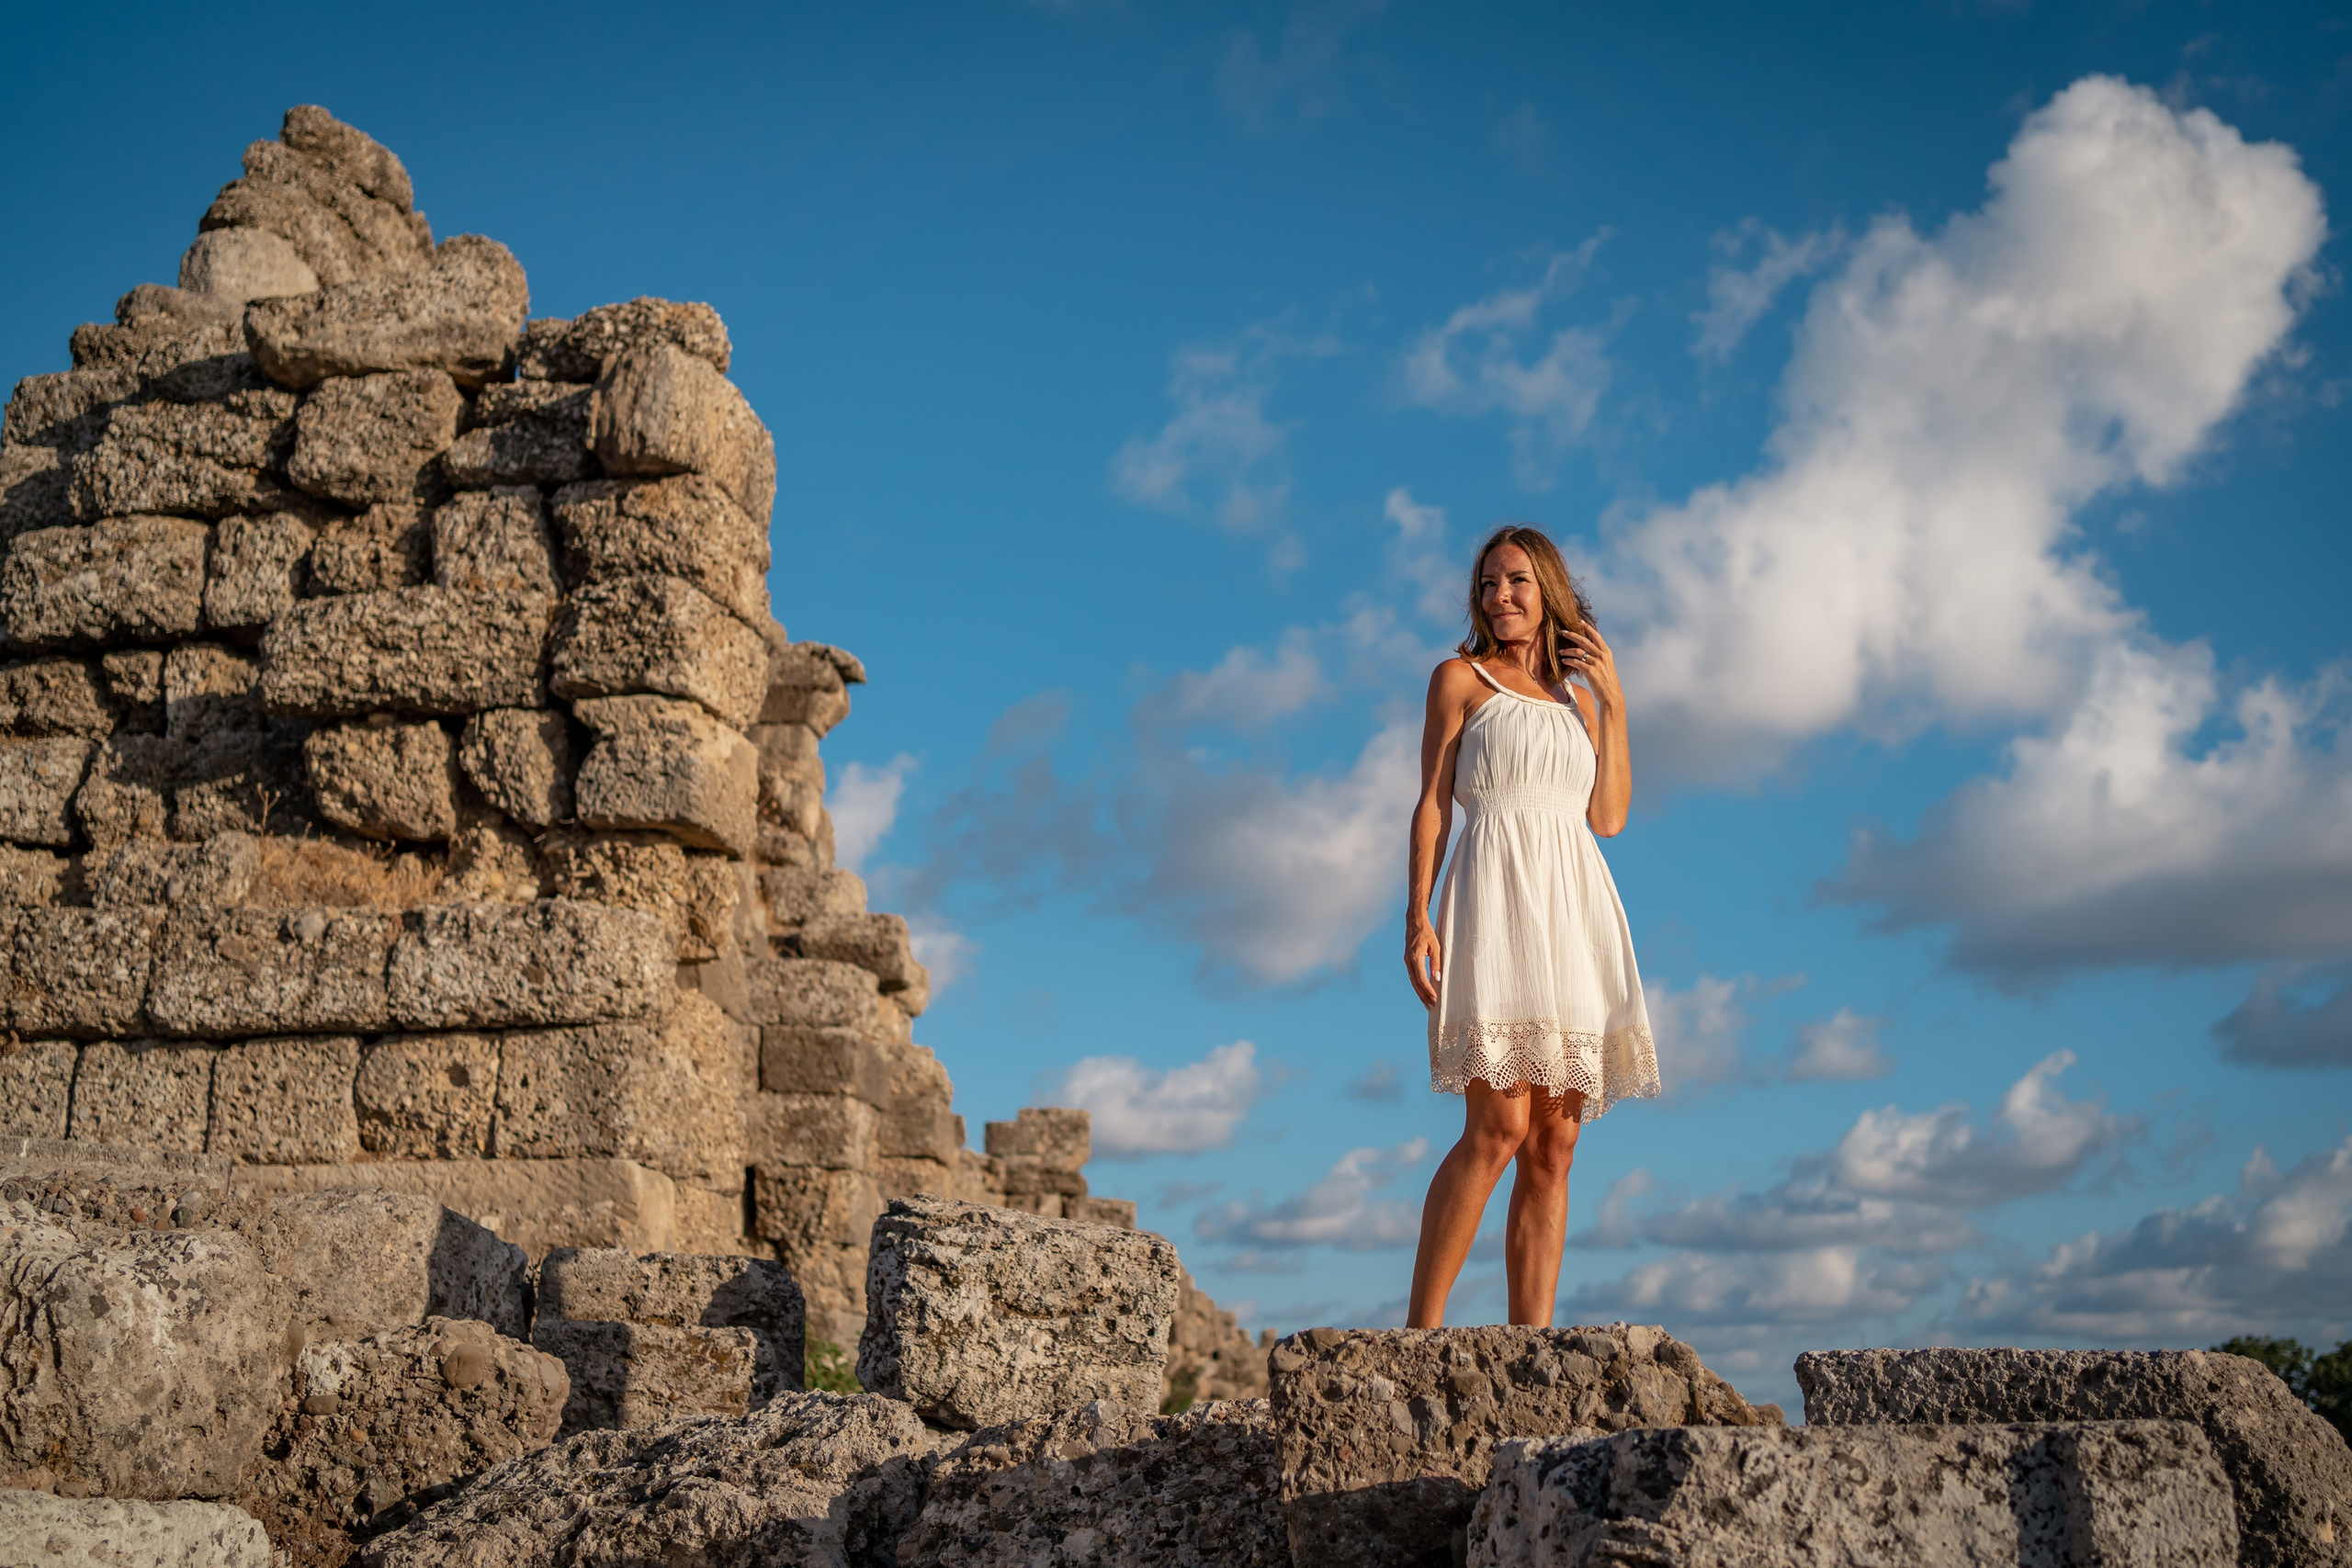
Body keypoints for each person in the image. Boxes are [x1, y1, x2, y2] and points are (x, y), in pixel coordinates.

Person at [1402, 525, 1657, 1327]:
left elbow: (1609, 817)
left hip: (1574, 902)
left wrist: (1613, 702)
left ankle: (1530, 1346)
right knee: (1498, 1123)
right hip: (1496, 891)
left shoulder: (1580, 703)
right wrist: (1418, 913)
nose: (1498, 596)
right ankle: (1420, 1331)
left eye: (1514, 580)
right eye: (1486, 584)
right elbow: (1433, 805)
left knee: (1556, 1144)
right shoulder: (1460, 678)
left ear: (1547, 587)